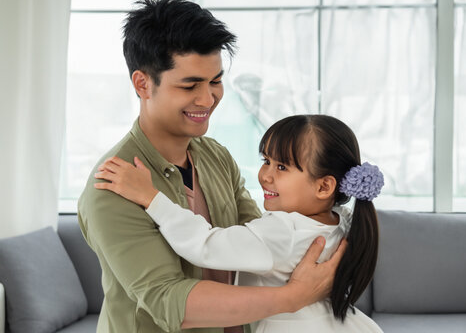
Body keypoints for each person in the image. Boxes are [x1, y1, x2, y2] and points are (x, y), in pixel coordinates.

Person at [77, 0, 345, 333]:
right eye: (190, 85)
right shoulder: (113, 185)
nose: (207, 100)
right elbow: (168, 300)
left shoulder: (216, 156)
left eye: (215, 82)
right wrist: (294, 297)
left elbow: (257, 240)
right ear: (143, 84)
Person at [94, 114, 385, 332]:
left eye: (281, 166)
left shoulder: (282, 232)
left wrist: (151, 197)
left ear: (324, 187)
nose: (265, 175)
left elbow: (204, 244)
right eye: (266, 160)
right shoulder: (344, 222)